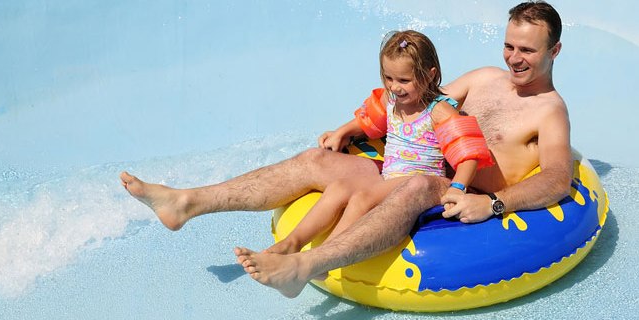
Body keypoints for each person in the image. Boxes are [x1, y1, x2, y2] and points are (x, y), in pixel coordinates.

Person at [233, 0, 572, 298]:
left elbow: (557, 178)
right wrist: (349, 130)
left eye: (527, 50)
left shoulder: (550, 111)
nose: (514, 58)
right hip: (412, 166)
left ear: (554, 51)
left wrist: (493, 203)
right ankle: (192, 203)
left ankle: (305, 266)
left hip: (453, 188)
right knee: (322, 163)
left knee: (417, 185)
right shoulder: (484, 77)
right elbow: (417, 103)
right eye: (509, 46)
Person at [263, 30, 492, 255]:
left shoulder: (439, 111)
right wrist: (342, 131)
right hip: (390, 178)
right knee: (339, 187)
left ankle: (324, 255)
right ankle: (293, 242)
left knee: (363, 198)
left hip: (418, 185)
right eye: (389, 77)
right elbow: (369, 120)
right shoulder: (391, 100)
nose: (394, 86)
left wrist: (457, 187)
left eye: (404, 80)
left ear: (430, 75)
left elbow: (468, 153)